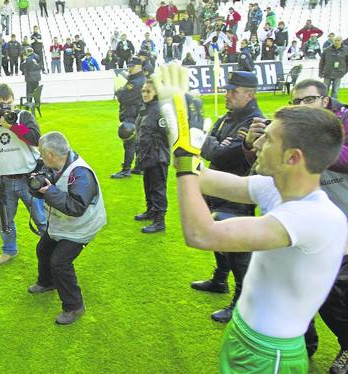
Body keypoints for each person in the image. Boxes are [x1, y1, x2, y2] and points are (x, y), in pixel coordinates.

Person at [153, 63, 347, 374]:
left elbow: (201, 234)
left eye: (268, 140)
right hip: (246, 335)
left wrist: (186, 161)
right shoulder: (277, 187)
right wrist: (179, 133)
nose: (255, 145)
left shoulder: (312, 217)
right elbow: (203, 178)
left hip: (269, 354)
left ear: (293, 158)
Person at [244, 78, 348, 372]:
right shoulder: (299, 135)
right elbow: (266, 171)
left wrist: (301, 144)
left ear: (325, 101)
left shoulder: (327, 131)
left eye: (308, 100)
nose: (301, 106)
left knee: (335, 300)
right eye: (296, 102)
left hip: (339, 227)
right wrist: (256, 146)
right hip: (306, 223)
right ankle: (305, 344)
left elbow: (341, 157)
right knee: (301, 290)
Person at [192, 71, 263, 323]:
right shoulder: (229, 118)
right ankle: (220, 280)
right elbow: (208, 144)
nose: (227, 94)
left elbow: (217, 153)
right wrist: (212, 143)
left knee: (238, 251)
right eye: (228, 89)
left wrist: (209, 142)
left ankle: (241, 302)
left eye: (233, 91)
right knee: (219, 239)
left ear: (249, 94)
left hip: (236, 192)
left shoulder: (254, 121)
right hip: (217, 187)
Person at [28, 131, 106, 324]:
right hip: (61, 224)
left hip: (81, 228)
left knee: (59, 262)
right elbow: (44, 191)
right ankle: (47, 282)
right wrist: (37, 187)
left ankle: (74, 306)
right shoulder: (53, 165)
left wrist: (50, 191)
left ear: (52, 155)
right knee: (43, 249)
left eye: (42, 154)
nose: (40, 157)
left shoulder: (81, 174)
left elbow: (76, 206)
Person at [0, 84, 46, 264]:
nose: (6, 108)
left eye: (9, 104)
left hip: (29, 179)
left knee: (41, 219)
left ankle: (51, 248)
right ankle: (9, 250)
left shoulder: (23, 116)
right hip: (3, 181)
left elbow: (36, 139)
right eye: (2, 105)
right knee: (4, 221)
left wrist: (13, 126)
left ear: (13, 101)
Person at [133, 80, 169, 233]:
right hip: (147, 155)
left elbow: (167, 134)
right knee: (148, 185)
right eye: (143, 91)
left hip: (157, 155)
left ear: (156, 93)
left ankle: (159, 221)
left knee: (158, 188)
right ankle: (150, 211)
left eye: (148, 91)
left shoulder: (160, 110)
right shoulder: (145, 108)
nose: (145, 94)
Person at [111, 56, 145, 179]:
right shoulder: (137, 79)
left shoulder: (136, 82)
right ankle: (139, 167)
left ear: (139, 66)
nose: (130, 68)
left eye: (132, 66)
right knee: (137, 143)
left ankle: (126, 170)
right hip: (136, 113)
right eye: (129, 66)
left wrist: (120, 92)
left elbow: (123, 96)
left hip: (131, 114)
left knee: (129, 142)